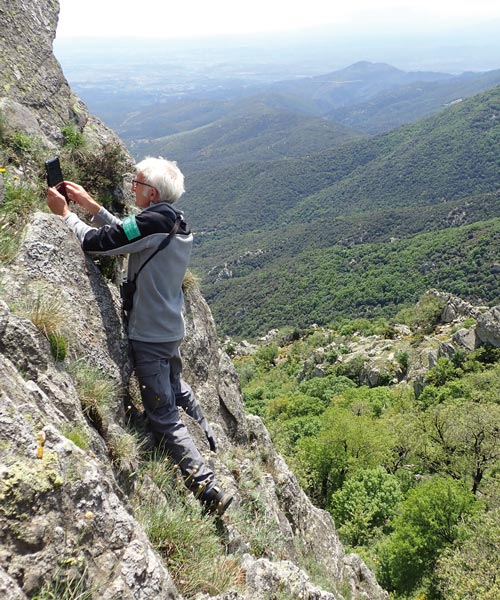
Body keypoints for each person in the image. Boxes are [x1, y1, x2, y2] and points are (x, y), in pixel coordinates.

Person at [46, 156, 232, 516]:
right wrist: (90, 205)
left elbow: (101, 244)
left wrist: (65, 215)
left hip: (149, 335)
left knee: (162, 415)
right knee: (173, 385)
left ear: (151, 193)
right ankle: (201, 423)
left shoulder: (154, 222)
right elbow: (131, 235)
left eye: (137, 184)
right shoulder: (171, 219)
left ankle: (207, 488)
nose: (132, 188)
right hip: (169, 330)